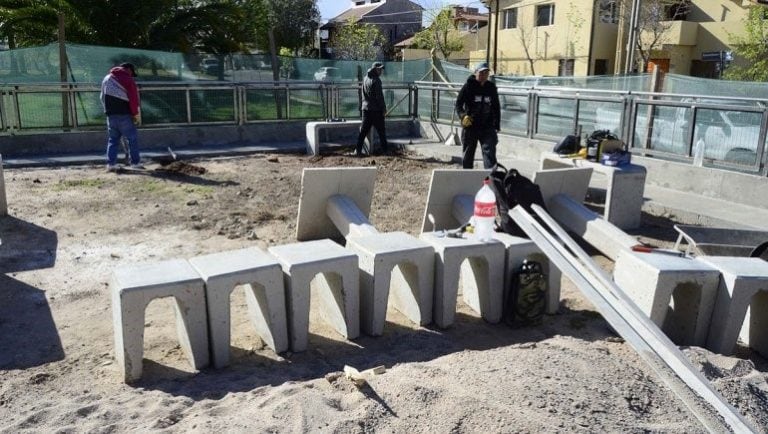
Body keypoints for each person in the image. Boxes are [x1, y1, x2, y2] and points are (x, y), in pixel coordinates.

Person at [455, 62, 501, 169]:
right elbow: (458, 104)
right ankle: (468, 177)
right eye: (481, 72)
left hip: (487, 127)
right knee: (468, 154)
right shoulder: (468, 86)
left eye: (486, 72)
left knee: (490, 154)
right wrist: (463, 116)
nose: (483, 75)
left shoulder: (491, 88)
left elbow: (496, 107)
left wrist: (496, 125)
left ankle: (491, 179)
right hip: (471, 127)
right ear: (475, 73)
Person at [101, 62, 142, 171]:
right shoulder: (128, 80)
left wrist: (107, 111)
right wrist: (135, 114)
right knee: (132, 139)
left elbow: (102, 97)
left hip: (111, 115)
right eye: (132, 73)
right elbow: (133, 99)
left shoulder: (107, 78)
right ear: (128, 70)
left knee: (113, 140)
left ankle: (111, 164)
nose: (131, 75)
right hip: (125, 115)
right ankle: (135, 163)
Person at [355, 61, 389, 156]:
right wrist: (383, 108)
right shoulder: (376, 80)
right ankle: (385, 151)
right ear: (375, 69)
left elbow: (363, 94)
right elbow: (379, 97)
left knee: (363, 132)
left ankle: (358, 150)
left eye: (381, 69)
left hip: (366, 109)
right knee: (382, 132)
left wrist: (363, 106)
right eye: (379, 69)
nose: (381, 71)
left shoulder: (365, 78)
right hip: (376, 111)